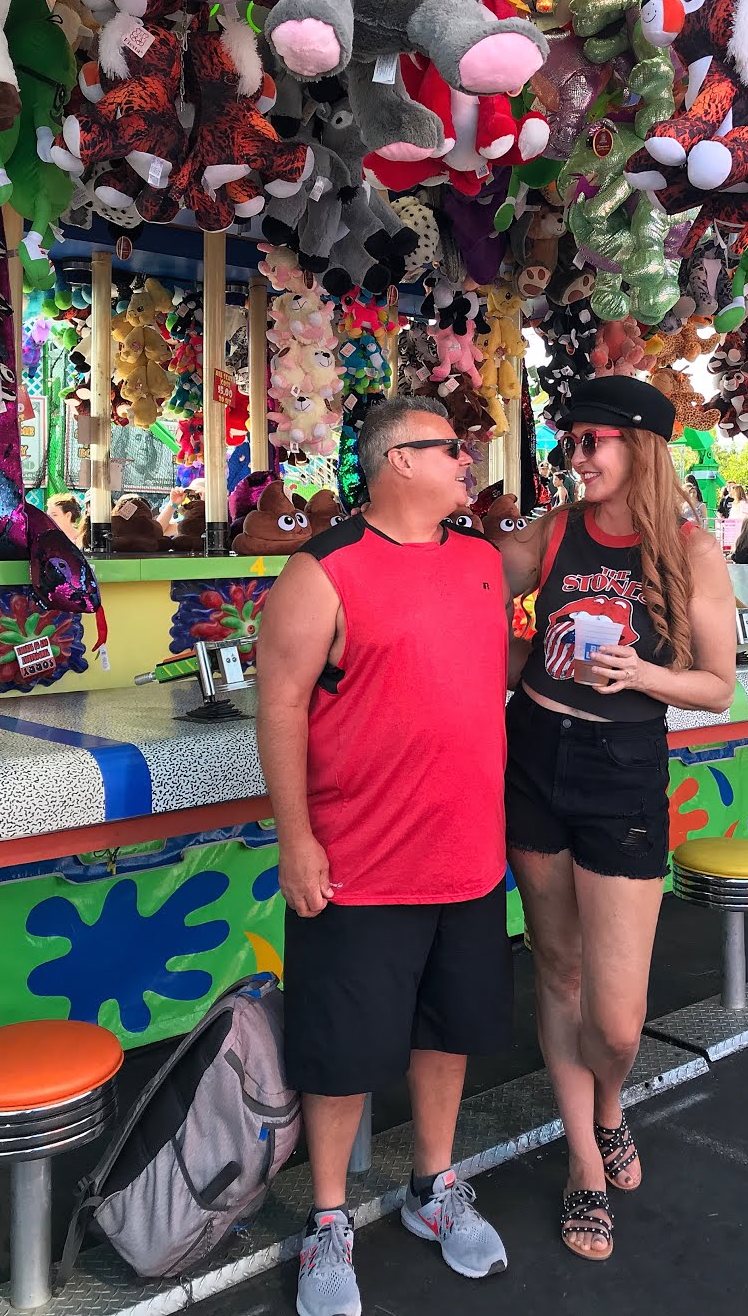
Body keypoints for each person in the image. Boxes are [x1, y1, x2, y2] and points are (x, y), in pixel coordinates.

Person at [256, 398, 512, 1316]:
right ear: (399, 461)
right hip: (358, 864)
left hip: (471, 859)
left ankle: (432, 1189)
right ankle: (329, 1223)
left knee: (446, 1034)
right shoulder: (320, 572)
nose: (467, 460)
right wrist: (297, 840)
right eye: (453, 447)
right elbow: (279, 705)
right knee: (340, 1054)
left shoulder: (483, 560)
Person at [498, 377, 735, 1265]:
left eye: (595, 438)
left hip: (623, 765)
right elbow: (475, 578)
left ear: (643, 446)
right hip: (533, 754)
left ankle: (609, 1104)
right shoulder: (554, 531)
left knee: (621, 1019)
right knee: (555, 968)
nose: (578, 454)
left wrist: (643, 676)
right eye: (574, 439)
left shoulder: (689, 549)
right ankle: (586, 1162)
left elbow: (716, 686)